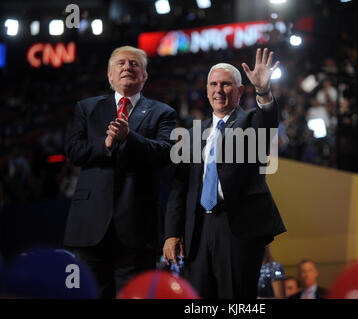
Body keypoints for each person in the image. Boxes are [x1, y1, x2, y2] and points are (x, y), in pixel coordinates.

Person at [163, 48, 286, 299]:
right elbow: (180, 188)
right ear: (207, 90)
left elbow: (268, 120)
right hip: (197, 229)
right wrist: (172, 233)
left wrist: (263, 91)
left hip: (237, 229)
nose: (218, 90)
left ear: (240, 91)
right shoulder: (193, 134)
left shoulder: (252, 123)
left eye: (226, 84)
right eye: (213, 84)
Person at [64, 46, 177, 298]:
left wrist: (130, 138)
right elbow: (73, 150)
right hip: (90, 225)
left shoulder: (163, 113)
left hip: (138, 226)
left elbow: (165, 153)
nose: (128, 67)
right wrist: (104, 146)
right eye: (121, 63)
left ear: (145, 76)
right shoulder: (87, 108)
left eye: (135, 64)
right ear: (110, 75)